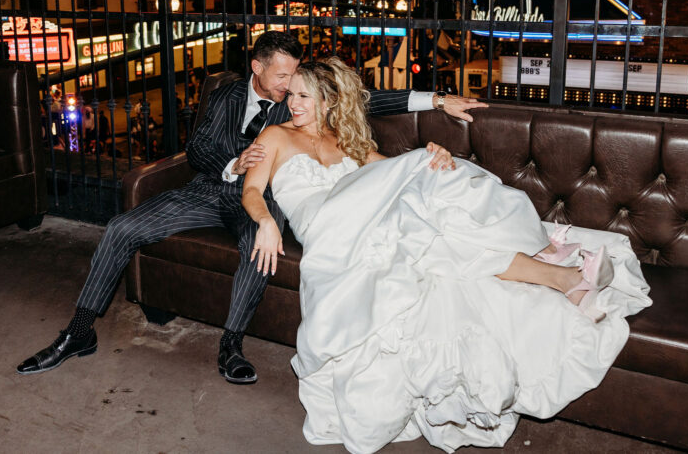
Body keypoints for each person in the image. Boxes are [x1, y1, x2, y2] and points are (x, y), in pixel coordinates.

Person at [16, 31, 486, 383]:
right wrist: (233, 162)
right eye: (282, 75)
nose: (289, 84)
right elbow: (198, 149)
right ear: (258, 67)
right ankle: (80, 330)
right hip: (208, 189)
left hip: (259, 200)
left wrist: (438, 99)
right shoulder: (223, 94)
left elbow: (361, 99)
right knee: (122, 226)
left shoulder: (295, 106)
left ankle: (231, 345)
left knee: (260, 247)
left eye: (295, 77)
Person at [241, 58, 652, 452]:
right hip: (325, 226)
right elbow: (252, 190)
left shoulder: (343, 140)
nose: (292, 103)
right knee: (421, 180)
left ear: (328, 101)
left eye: (303, 97)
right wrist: (265, 222)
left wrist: (432, 161)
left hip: (363, 223)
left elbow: (391, 173)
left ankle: (566, 280)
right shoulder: (276, 136)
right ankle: (545, 250)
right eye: (291, 95)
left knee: (436, 222)